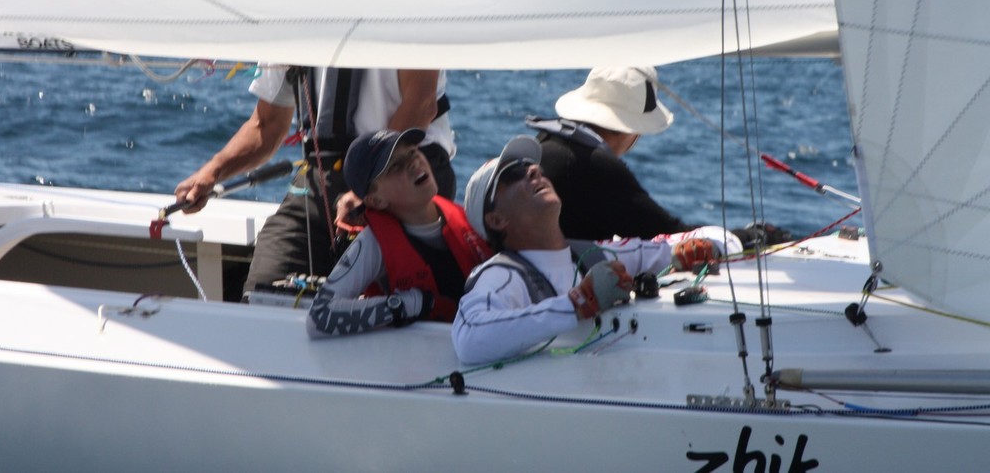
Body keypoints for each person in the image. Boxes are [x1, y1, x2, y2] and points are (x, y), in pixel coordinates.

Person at [173, 0, 456, 300]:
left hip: (404, 168)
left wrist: (370, 186)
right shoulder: (289, 11)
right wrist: (210, 174)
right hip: (323, 181)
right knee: (266, 290)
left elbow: (418, 105)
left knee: (395, 305)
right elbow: (267, 128)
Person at [452, 136, 743, 365]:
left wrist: (690, 251)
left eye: (531, 164)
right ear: (497, 219)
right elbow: (468, 339)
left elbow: (716, 238)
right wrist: (578, 303)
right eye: (512, 174)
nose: (532, 169)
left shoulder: (594, 254)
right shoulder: (502, 275)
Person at [526, 66, 790, 247]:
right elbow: (668, 235)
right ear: (631, 130)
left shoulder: (544, 144)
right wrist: (749, 236)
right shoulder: (595, 165)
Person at [307, 129, 491, 337]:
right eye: (395, 166)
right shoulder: (374, 244)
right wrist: (407, 304)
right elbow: (319, 317)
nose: (414, 163)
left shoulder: (470, 217)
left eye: (412, 152)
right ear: (376, 200)